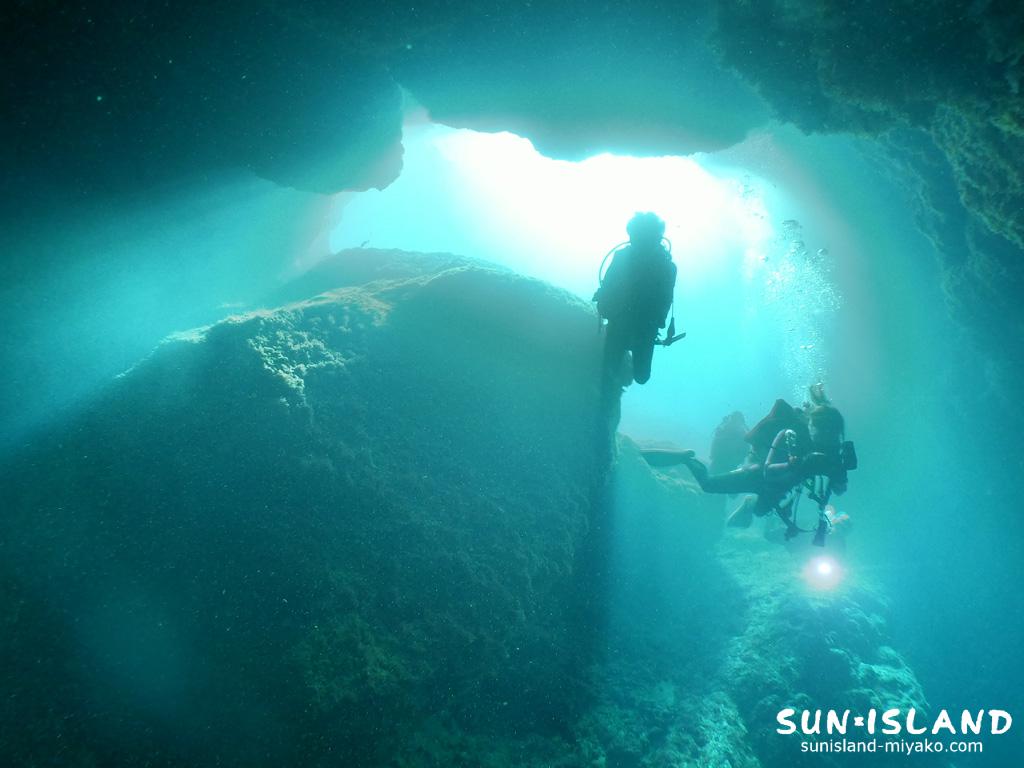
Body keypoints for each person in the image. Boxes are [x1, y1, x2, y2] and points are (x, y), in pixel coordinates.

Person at [641, 386, 854, 533]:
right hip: (757, 474)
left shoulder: (834, 452)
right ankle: (686, 458)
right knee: (708, 485)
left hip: (781, 486)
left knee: (760, 512)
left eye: (832, 433)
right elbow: (768, 468)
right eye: (822, 431)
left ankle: (750, 502)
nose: (826, 437)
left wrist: (839, 474)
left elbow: (839, 490)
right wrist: (795, 465)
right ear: (811, 427)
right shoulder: (790, 434)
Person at [593, 212, 677, 386]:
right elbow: (666, 300)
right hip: (623, 321)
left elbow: (666, 299)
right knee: (620, 375)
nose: (634, 241)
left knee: (640, 377)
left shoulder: (666, 266)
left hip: (643, 326)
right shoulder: (624, 257)